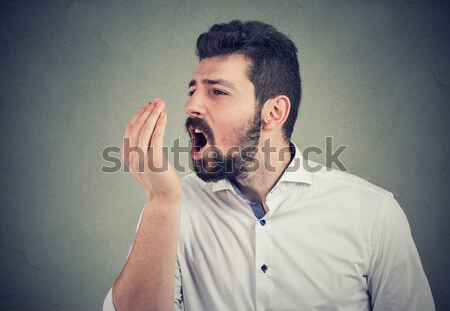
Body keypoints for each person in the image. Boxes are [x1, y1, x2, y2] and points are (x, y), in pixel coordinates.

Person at [103, 20, 435, 311]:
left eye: (217, 91)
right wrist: (161, 203)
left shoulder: (373, 214)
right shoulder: (172, 207)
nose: (191, 105)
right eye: (193, 91)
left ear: (274, 113)